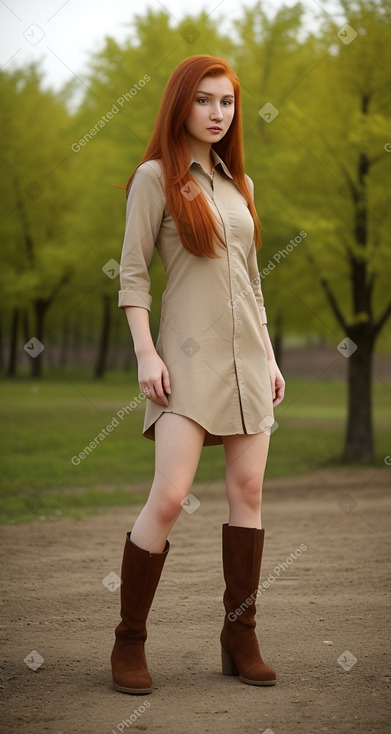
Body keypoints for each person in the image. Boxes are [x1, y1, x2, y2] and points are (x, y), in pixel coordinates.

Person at [111, 54, 285, 695]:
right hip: (184, 360)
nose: (219, 114)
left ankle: (239, 636)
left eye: (228, 102)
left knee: (249, 493)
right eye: (206, 101)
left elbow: (251, 282)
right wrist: (145, 354)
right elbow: (132, 276)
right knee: (171, 495)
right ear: (181, 104)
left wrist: (268, 357)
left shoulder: (239, 183)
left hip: (247, 363)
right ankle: (129, 642)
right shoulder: (154, 178)